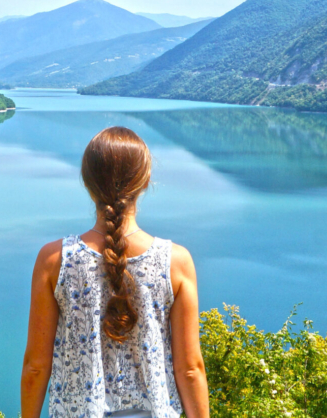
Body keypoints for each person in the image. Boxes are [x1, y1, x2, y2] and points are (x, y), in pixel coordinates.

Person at [20, 126, 210, 418]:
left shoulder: (54, 259)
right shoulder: (175, 261)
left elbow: (36, 365)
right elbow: (190, 369)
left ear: (87, 182)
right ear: (145, 181)